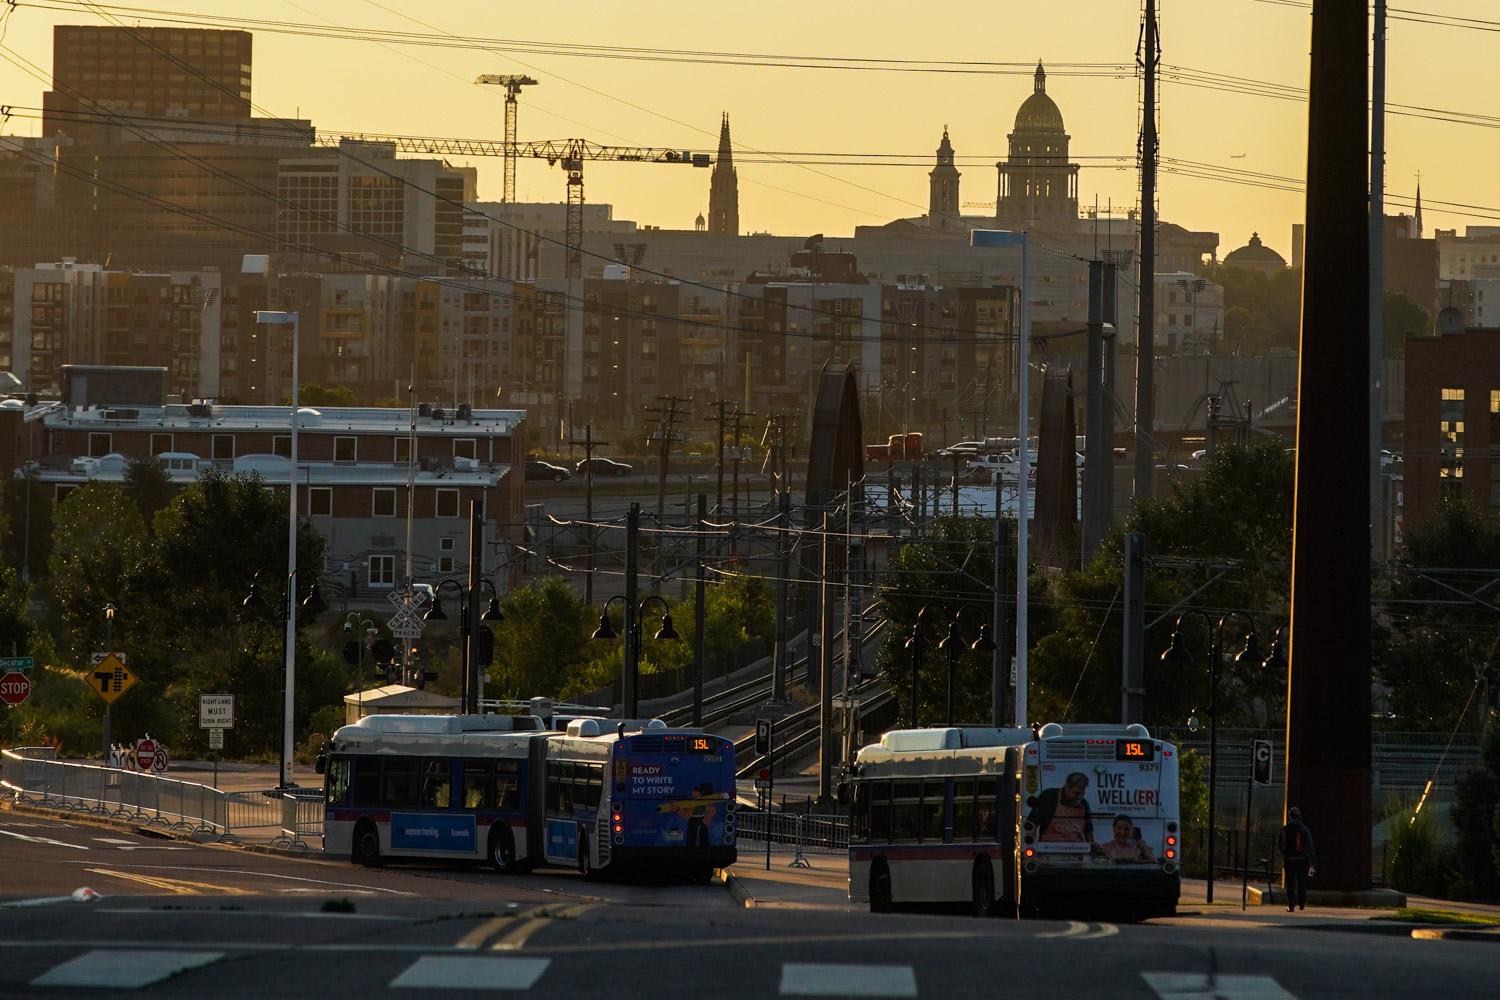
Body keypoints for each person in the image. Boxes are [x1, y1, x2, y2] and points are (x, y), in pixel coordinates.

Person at [1027, 771, 1094, 844]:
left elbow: (1088, 832)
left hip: (1077, 850)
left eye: (1082, 793)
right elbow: (1032, 823)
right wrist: (1030, 845)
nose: (1079, 797)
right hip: (1048, 848)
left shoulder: (1084, 804)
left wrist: (1092, 848)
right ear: (1067, 787)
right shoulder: (1049, 797)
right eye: (1076, 793)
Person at [1278, 806, 1316, 912]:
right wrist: (1312, 861)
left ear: (1290, 817)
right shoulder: (1304, 829)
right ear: (1299, 817)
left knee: (1290, 882)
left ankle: (1291, 905)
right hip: (1302, 859)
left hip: (1289, 859)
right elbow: (1310, 846)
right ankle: (1302, 903)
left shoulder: (1284, 829)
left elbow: (1280, 845)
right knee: (1301, 881)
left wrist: (1284, 855)